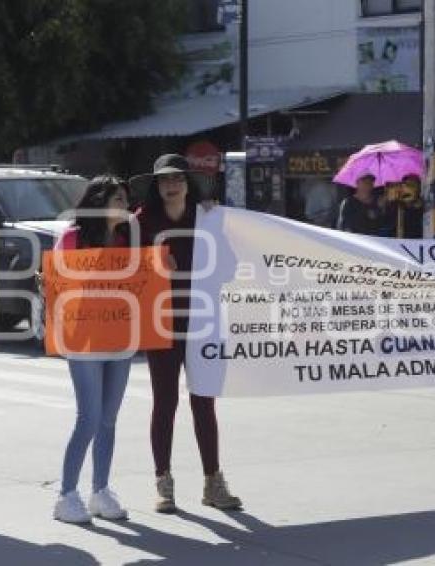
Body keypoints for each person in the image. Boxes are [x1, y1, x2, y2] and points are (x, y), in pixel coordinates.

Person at [129, 154, 242, 513]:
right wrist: (154, 259)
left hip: (203, 318)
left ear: (188, 182)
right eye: (164, 180)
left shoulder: (208, 217)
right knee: (165, 402)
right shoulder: (141, 222)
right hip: (161, 321)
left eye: (177, 178)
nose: (171, 185)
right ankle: (163, 482)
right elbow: (124, 267)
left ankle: (213, 482)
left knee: (204, 401)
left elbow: (229, 267)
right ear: (156, 186)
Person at [52, 177, 134, 524]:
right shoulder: (72, 238)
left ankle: (100, 490)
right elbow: (58, 282)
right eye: (119, 198)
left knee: (109, 419)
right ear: (100, 202)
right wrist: (49, 280)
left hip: (120, 333)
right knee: (89, 418)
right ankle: (66, 495)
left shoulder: (129, 237)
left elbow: (143, 280)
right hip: (84, 337)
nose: (126, 205)